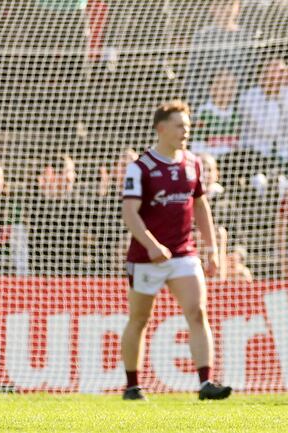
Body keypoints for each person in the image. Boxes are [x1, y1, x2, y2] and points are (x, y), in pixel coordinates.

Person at [120, 100, 231, 401]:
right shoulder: (141, 167)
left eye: (188, 125)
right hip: (146, 257)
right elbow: (130, 213)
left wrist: (212, 250)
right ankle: (132, 386)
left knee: (197, 312)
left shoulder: (193, 163)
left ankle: (206, 382)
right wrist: (152, 246)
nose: (186, 131)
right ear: (161, 128)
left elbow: (200, 206)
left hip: (183, 253)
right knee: (140, 319)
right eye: (180, 125)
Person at [185, 0, 253, 109]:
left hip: (240, 105)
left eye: (230, 4)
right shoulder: (202, 37)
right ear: (212, 8)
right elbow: (192, 75)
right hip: (208, 105)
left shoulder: (247, 37)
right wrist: (197, 106)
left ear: (238, 7)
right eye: (220, 4)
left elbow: (251, 75)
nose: (226, 9)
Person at [239, 58, 288, 166]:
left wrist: (282, 95)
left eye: (281, 73)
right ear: (262, 75)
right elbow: (268, 130)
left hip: (287, 158)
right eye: (273, 73)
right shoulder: (249, 96)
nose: (277, 78)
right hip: (257, 158)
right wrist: (274, 96)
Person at [190, 69, 241, 157]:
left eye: (232, 87)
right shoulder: (203, 114)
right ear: (212, 88)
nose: (228, 91)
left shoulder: (236, 115)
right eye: (224, 86)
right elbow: (196, 148)